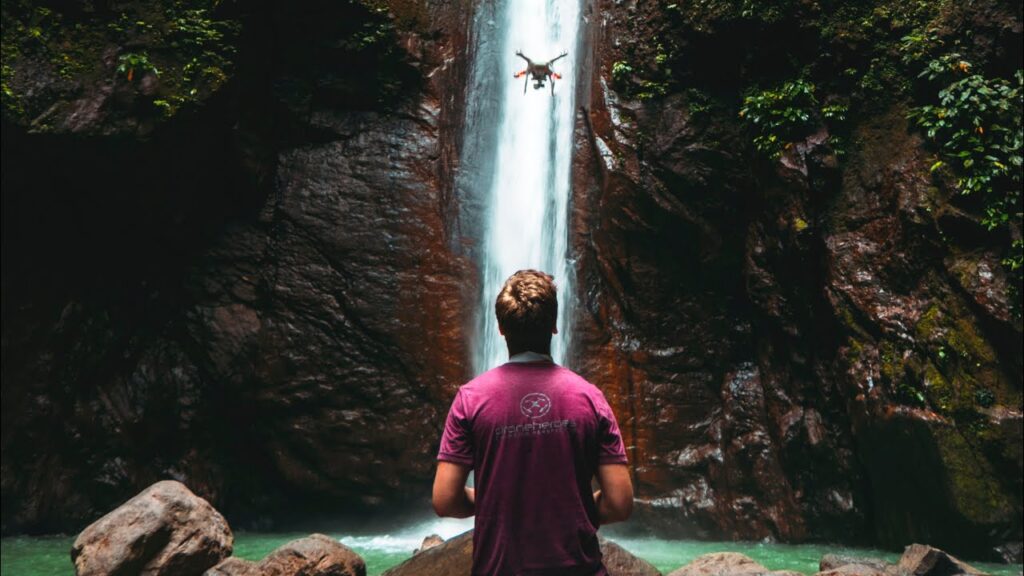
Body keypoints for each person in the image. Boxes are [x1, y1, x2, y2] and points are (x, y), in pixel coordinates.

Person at [433, 269, 634, 576]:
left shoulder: (470, 399)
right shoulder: (590, 398)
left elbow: (445, 501)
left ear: (500, 328)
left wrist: (494, 500)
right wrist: (570, 506)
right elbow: (619, 503)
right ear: (555, 325)